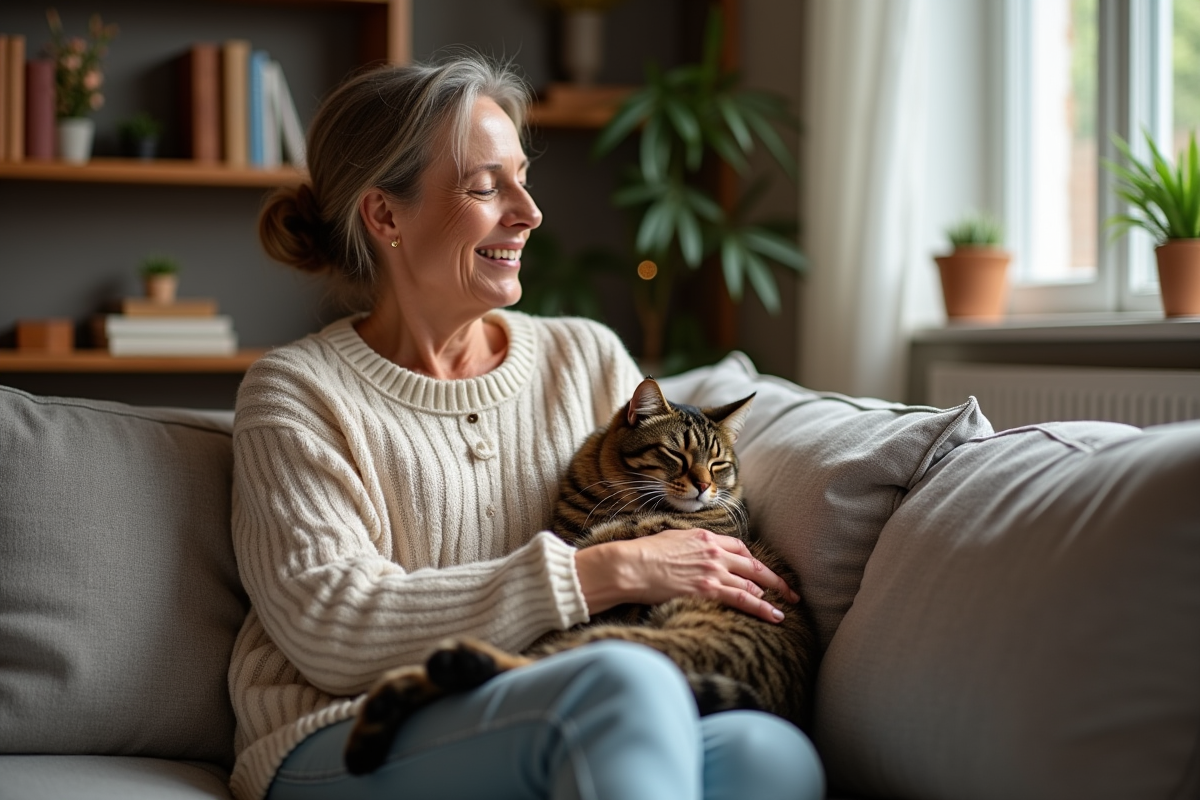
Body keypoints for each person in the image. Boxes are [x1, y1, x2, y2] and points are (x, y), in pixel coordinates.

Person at [231, 52, 826, 800]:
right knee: (621, 686)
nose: (529, 211)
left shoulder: (583, 355)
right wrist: (604, 571)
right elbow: (331, 626)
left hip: (548, 693)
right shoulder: (295, 394)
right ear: (385, 215)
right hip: (344, 731)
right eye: (486, 187)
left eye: (523, 177)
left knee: (767, 752)